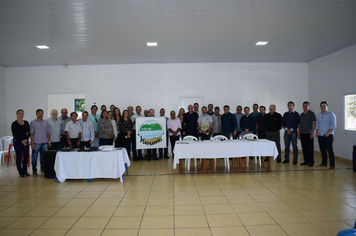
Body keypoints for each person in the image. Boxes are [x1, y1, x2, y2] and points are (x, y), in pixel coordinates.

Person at [316, 101, 337, 170]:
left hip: (328, 135)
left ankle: (332, 165)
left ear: (327, 106)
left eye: (324, 106)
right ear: (320, 107)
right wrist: (317, 132)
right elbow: (317, 124)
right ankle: (324, 163)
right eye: (322, 106)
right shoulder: (319, 114)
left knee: (329, 150)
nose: (323, 107)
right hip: (321, 135)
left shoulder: (331, 114)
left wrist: (328, 132)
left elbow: (333, 125)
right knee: (322, 150)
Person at [30, 109, 50, 176]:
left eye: (41, 113)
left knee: (43, 157)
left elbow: (48, 132)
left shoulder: (46, 122)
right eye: (39, 113)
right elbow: (31, 133)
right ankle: (34, 170)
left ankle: (43, 169)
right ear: (36, 114)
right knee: (34, 157)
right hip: (36, 142)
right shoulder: (33, 122)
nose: (40, 114)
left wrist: (49, 141)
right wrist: (32, 143)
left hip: (44, 142)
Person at [11, 109, 30, 177]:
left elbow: (29, 133)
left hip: (25, 141)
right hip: (18, 142)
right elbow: (15, 134)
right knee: (19, 156)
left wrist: (26, 140)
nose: (21, 115)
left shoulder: (26, 123)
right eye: (19, 113)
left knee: (26, 156)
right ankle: (20, 171)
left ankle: (25, 170)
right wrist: (21, 141)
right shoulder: (14, 124)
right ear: (17, 114)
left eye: (22, 113)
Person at [298, 101, 316, 167]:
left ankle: (311, 161)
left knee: (310, 148)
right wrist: (299, 133)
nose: (305, 107)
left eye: (306, 105)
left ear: (309, 106)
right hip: (302, 133)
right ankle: (306, 160)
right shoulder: (301, 115)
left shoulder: (312, 114)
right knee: (304, 148)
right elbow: (299, 125)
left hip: (309, 134)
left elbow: (314, 124)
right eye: (304, 105)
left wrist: (312, 133)